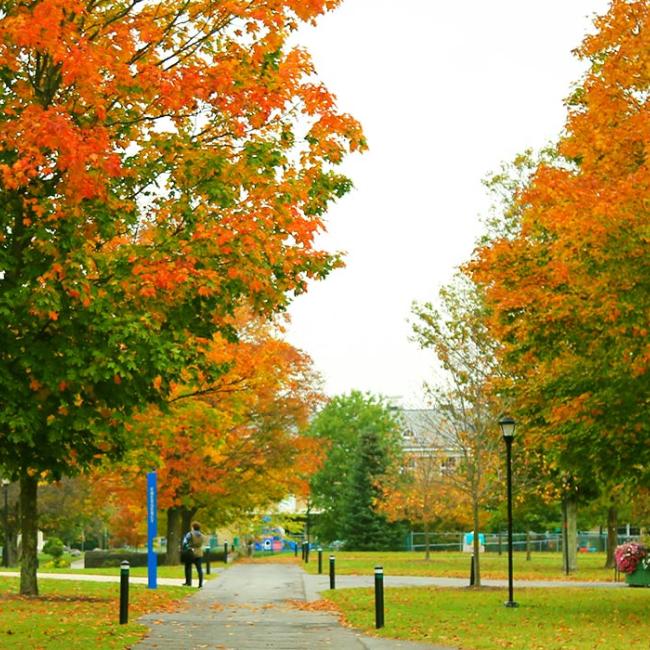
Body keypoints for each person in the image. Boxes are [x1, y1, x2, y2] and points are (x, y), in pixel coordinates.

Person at [181, 521, 207, 588]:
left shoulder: (190, 534)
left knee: (188, 567)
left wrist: (185, 547)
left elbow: (185, 542)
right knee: (199, 569)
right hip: (199, 552)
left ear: (193, 527)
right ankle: (200, 584)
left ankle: (188, 582)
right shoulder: (202, 535)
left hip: (191, 552)